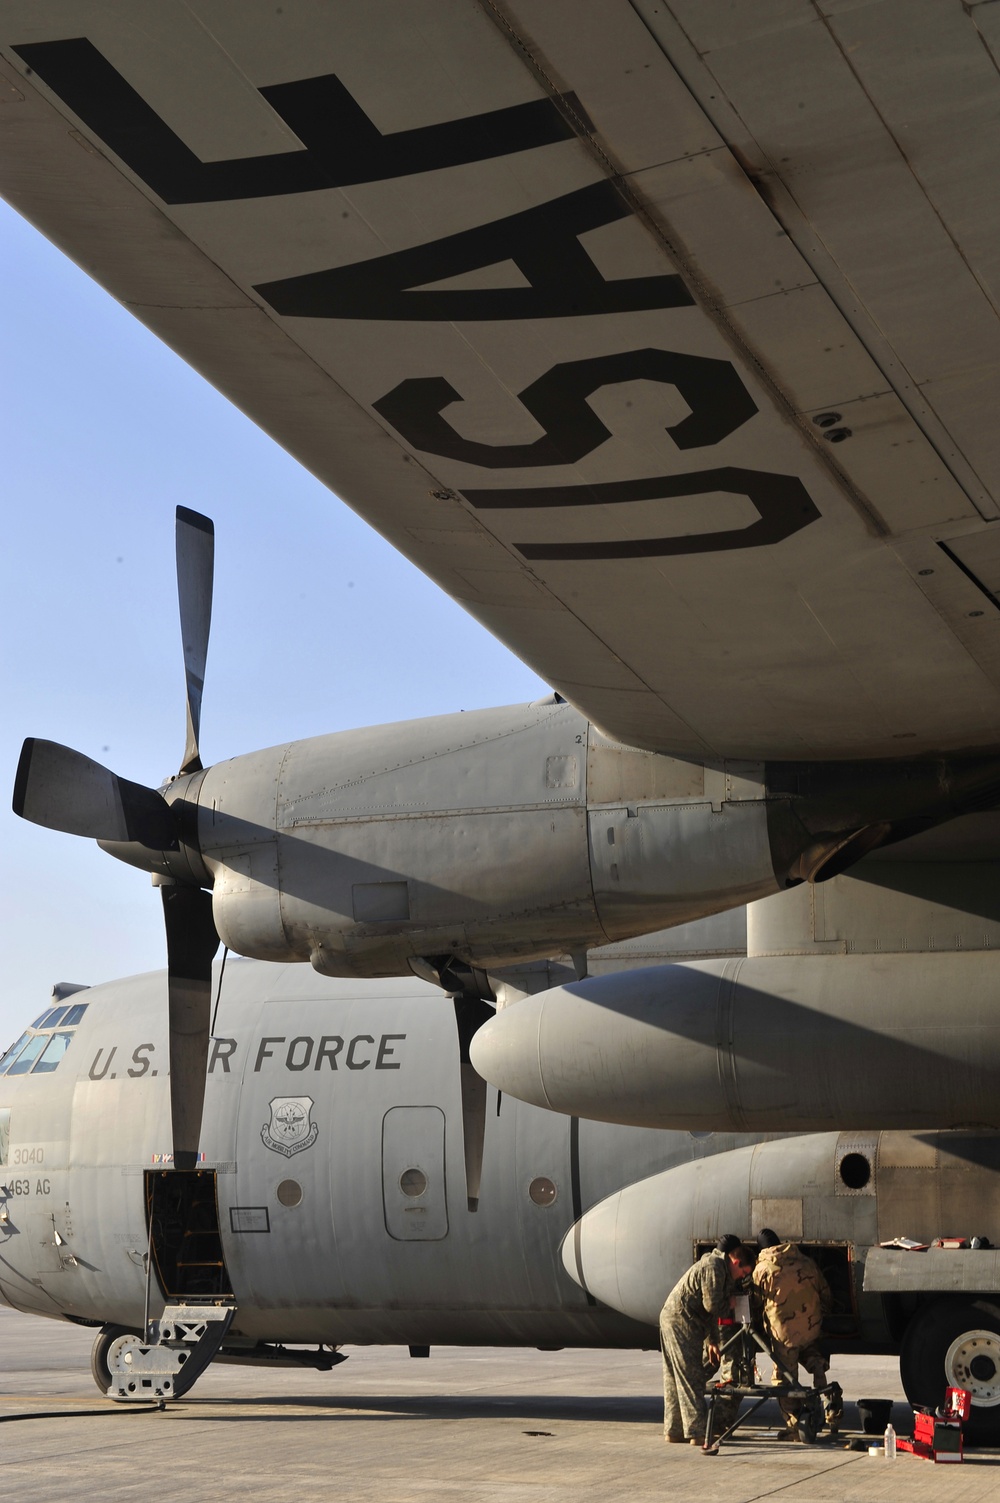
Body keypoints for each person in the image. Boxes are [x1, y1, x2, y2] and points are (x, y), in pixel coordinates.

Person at [659, 1234, 753, 1445]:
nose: (741, 1277)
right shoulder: (715, 1266)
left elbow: (708, 1311)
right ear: (736, 1262)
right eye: (743, 1272)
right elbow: (712, 1305)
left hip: (676, 1319)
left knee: (675, 1378)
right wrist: (730, 1305)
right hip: (682, 1321)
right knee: (691, 1377)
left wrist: (712, 1340)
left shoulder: (718, 1266)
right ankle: (697, 1432)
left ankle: (674, 1430)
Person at [752, 1228, 841, 1436]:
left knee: (784, 1380)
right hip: (811, 1328)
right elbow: (825, 1293)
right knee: (815, 1362)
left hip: (785, 1336)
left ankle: (795, 1426)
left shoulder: (762, 1269)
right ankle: (831, 1409)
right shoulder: (806, 1262)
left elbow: (755, 1305)